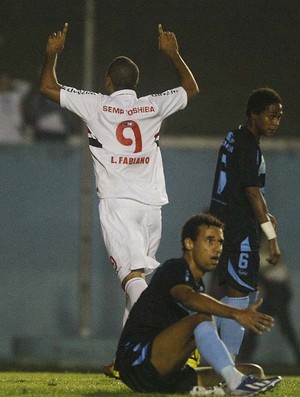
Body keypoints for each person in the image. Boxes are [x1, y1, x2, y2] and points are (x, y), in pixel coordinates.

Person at [39, 23, 199, 375]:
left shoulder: (96, 105)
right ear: (135, 84)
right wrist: (173, 54)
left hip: (118, 203)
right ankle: (127, 361)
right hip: (152, 206)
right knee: (138, 277)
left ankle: (183, 337)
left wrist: (53, 54)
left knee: (132, 279)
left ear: (108, 83)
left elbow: (47, 87)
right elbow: (191, 88)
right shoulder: (152, 105)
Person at [115, 213, 281, 395]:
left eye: (220, 242)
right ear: (189, 244)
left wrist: (240, 307)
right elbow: (187, 297)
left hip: (168, 372)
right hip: (139, 362)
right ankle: (234, 382)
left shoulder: (197, 284)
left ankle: (228, 381)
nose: (217, 248)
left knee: (253, 372)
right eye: (210, 241)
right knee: (202, 318)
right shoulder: (174, 268)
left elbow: (215, 308)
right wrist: (237, 313)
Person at [209, 88, 283, 362]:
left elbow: (245, 187)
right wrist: (270, 236)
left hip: (226, 225)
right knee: (240, 297)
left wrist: (263, 212)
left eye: (279, 117)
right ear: (254, 114)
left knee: (229, 299)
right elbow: (251, 192)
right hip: (238, 230)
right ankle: (228, 368)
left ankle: (218, 363)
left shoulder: (236, 136)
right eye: (271, 116)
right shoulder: (247, 145)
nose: (275, 122)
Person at [238, 236, 300, 365]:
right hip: (273, 291)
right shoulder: (259, 255)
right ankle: (243, 357)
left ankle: (244, 357)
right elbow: (260, 274)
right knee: (259, 324)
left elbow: (280, 272)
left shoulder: (273, 252)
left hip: (279, 291)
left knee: (278, 325)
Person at [0, 68, 30, 144]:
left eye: (6, 79)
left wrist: (12, 81)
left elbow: (27, 86)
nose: (4, 81)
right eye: (2, 79)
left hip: (15, 133)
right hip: (1, 133)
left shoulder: (16, 95)